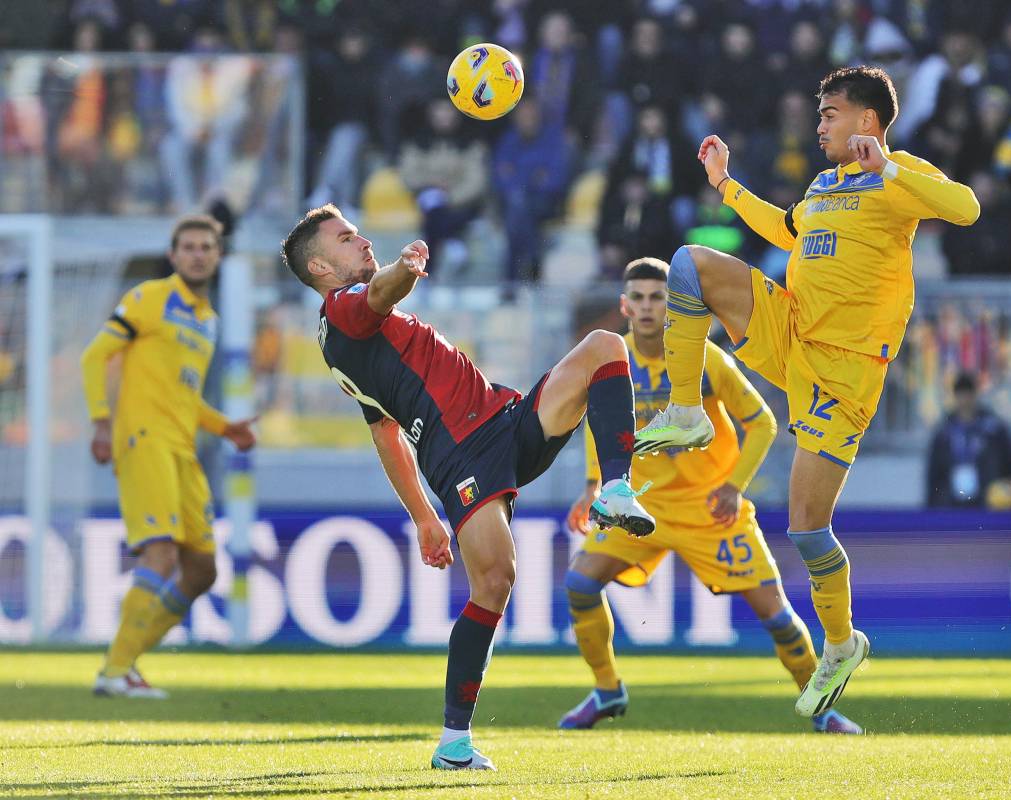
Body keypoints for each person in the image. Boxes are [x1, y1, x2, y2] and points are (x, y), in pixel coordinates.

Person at [634, 66, 979, 716]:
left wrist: (893, 171)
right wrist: (726, 187)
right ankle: (685, 411)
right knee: (686, 265)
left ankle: (843, 643)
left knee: (807, 527)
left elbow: (967, 207)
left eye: (831, 113)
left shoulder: (895, 173)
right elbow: (788, 231)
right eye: (820, 113)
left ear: (867, 121)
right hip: (792, 326)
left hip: (845, 372)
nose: (819, 123)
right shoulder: (825, 184)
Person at [279, 204, 654, 771]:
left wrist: (423, 517)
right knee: (496, 581)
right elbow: (380, 296)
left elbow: (384, 432)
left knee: (604, 346)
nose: (361, 241)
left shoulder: (354, 337)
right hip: (461, 455)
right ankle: (454, 740)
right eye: (346, 238)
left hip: (506, 420)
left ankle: (617, 487)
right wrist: (405, 267)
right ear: (320, 267)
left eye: (358, 232)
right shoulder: (344, 311)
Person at [560, 258, 861, 735]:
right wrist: (593, 485)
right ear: (623, 305)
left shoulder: (706, 358)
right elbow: (601, 427)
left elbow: (761, 422)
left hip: (711, 508)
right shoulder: (613, 363)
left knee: (778, 617)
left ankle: (825, 712)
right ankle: (607, 689)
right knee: (579, 586)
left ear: (671, 304)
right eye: (637, 297)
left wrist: (733, 485)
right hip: (645, 505)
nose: (646, 307)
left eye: (657, 297)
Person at [81, 214, 257, 698]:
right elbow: (94, 355)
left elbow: (186, 397)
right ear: (174, 255)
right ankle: (115, 670)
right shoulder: (149, 297)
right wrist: (101, 421)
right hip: (143, 438)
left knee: (202, 570)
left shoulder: (207, 322)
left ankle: (123, 665)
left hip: (184, 449)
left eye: (207, 247)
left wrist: (225, 427)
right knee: (159, 553)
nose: (198, 254)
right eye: (189, 247)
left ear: (217, 257)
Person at [926, 372, 1011, 509]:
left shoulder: (993, 429)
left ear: (975, 395)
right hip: (951, 504)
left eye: (969, 394)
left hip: (987, 503)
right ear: (955, 397)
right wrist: (932, 505)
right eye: (961, 394)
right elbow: (933, 474)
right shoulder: (944, 432)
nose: (965, 400)